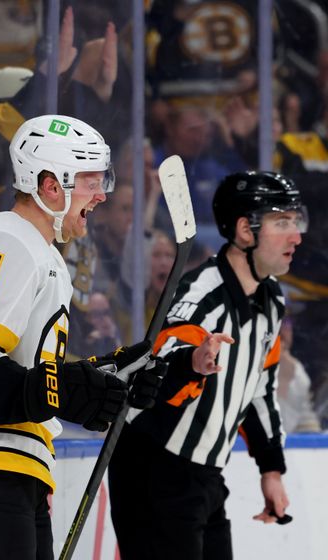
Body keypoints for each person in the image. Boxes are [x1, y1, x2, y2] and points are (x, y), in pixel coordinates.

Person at [0, 115, 166, 560]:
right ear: (50, 186)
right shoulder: (5, 240)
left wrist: (108, 375)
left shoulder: (38, 252)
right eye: (89, 181)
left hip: (9, 465)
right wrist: (64, 391)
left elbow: (27, 373)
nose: (101, 194)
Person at [109, 171, 306, 560]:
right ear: (245, 231)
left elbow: (258, 391)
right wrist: (191, 362)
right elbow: (156, 364)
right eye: (282, 222)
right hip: (154, 467)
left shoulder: (271, 300)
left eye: (296, 220)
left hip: (205, 475)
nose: (296, 235)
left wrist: (270, 468)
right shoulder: (202, 296)